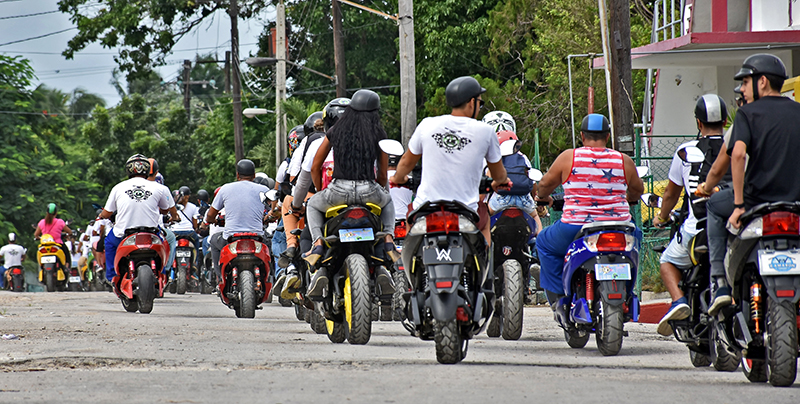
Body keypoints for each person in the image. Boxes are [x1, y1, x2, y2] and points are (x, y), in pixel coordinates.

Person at [706, 53, 800, 316]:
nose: (742, 90)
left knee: (714, 206)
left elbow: (737, 155)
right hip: (795, 204)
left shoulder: (747, 114)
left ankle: (719, 283)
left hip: (757, 202)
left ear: (762, 82)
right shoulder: (798, 111)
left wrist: (738, 205)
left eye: (746, 82)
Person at [534, 113, 644, 310]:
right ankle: (628, 290)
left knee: (543, 242)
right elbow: (637, 189)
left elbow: (544, 185)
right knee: (636, 239)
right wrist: (630, 198)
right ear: (608, 136)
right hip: (620, 227)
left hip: (575, 228)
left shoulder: (569, 157)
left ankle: (559, 298)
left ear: (582, 136)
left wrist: (542, 197)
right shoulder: (623, 160)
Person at [391, 76, 511, 245]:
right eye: (480, 103)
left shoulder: (427, 125)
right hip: (466, 211)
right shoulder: (486, 131)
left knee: (410, 220)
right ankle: (483, 262)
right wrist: (501, 181)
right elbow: (498, 174)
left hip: (426, 208)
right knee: (484, 222)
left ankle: (408, 261)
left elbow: (406, 162)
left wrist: (398, 179)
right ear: (472, 102)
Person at [302, 90, 398, 298]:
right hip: (369, 190)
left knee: (313, 204)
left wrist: (320, 191)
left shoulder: (336, 130)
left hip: (338, 190)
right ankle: (389, 240)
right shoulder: (378, 133)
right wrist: (377, 191)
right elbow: (383, 174)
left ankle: (318, 244)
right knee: (388, 201)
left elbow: (315, 166)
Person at [654, 94, 729, 336]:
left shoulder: (685, 151)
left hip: (697, 229)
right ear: (725, 121)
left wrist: (661, 217)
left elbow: (670, 194)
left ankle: (679, 300)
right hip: (736, 225)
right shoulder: (739, 146)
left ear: (698, 123)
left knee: (667, 261)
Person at [98, 154, 178, 282]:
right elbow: (165, 210)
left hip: (123, 233)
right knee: (165, 244)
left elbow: (107, 213)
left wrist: (101, 215)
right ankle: (163, 274)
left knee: (109, 243)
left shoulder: (118, 187)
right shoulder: (160, 188)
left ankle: (113, 277)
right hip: (151, 233)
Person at [201, 159, 270, 283]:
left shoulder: (225, 189)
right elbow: (273, 211)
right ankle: (271, 277)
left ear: (238, 175)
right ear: (254, 175)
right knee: (271, 245)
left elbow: (210, 215)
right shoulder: (264, 189)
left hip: (230, 238)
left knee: (213, 240)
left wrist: (213, 221)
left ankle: (219, 278)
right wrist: (268, 218)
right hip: (257, 238)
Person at [146, 159, 177, 274]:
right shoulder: (162, 189)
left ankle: (114, 274)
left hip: (131, 228)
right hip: (153, 229)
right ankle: (166, 269)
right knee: (171, 238)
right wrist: (174, 217)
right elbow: (167, 210)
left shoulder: (132, 186)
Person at [34, 203, 73, 270]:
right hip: (57, 244)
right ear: (56, 213)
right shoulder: (60, 222)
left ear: (46, 213)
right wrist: (67, 235)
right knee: (67, 254)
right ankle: (67, 267)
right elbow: (69, 232)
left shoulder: (42, 222)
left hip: (44, 245)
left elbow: (36, 234)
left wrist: (39, 238)